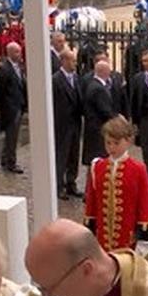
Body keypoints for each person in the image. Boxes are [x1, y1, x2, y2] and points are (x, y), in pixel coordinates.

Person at [85, 116, 148, 251]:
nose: (111, 147)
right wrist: (90, 226)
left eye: (116, 143)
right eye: (108, 143)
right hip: (102, 234)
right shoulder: (98, 167)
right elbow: (91, 200)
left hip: (127, 233)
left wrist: (143, 233)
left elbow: (144, 203)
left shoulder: (138, 169)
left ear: (128, 141)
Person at [54, 48, 84, 200]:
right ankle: (58, 187)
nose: (75, 63)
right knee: (61, 156)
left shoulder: (76, 78)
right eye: (72, 60)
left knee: (74, 155)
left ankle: (71, 183)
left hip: (75, 123)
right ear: (64, 61)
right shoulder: (56, 80)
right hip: (62, 124)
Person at [0, 42, 27, 174]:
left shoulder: (18, 67)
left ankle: (5, 158)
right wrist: (4, 106)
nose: (19, 54)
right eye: (17, 52)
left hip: (18, 105)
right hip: (10, 108)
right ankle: (10, 162)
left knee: (12, 136)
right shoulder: (4, 69)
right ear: (10, 53)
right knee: (11, 136)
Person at [82, 60, 119, 177]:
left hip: (93, 129)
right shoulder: (98, 89)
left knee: (94, 162)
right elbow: (105, 111)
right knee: (98, 161)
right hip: (98, 130)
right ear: (104, 71)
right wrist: (118, 118)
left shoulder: (93, 85)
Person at [127, 49, 148, 187]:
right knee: (147, 150)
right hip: (145, 119)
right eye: (143, 61)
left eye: (147, 60)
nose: (145, 64)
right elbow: (133, 100)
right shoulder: (138, 78)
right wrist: (134, 122)